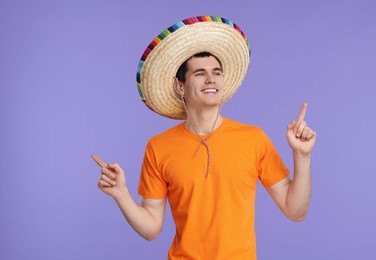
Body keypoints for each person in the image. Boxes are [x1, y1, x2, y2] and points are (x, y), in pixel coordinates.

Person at [92, 16, 316, 259]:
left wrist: (301, 156)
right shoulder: (158, 147)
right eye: (200, 73)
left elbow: (296, 211)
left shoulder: (253, 139)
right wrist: (122, 194)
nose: (211, 79)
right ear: (180, 87)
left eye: (217, 73)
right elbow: (151, 228)